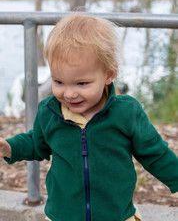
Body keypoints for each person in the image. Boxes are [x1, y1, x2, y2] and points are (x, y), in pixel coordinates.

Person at [0, 14, 177, 221]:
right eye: (59, 82)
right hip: (62, 216)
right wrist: (10, 148)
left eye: (82, 83)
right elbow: (36, 143)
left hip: (116, 216)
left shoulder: (127, 113)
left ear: (109, 75)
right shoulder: (49, 112)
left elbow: (155, 153)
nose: (69, 94)